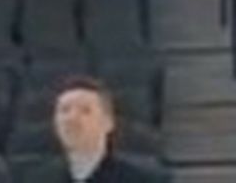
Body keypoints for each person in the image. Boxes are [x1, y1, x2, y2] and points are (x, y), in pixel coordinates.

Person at [21, 76, 167, 183]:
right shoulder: (36, 179)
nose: (71, 118)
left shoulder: (143, 180)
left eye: (85, 110)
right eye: (64, 110)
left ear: (108, 123)